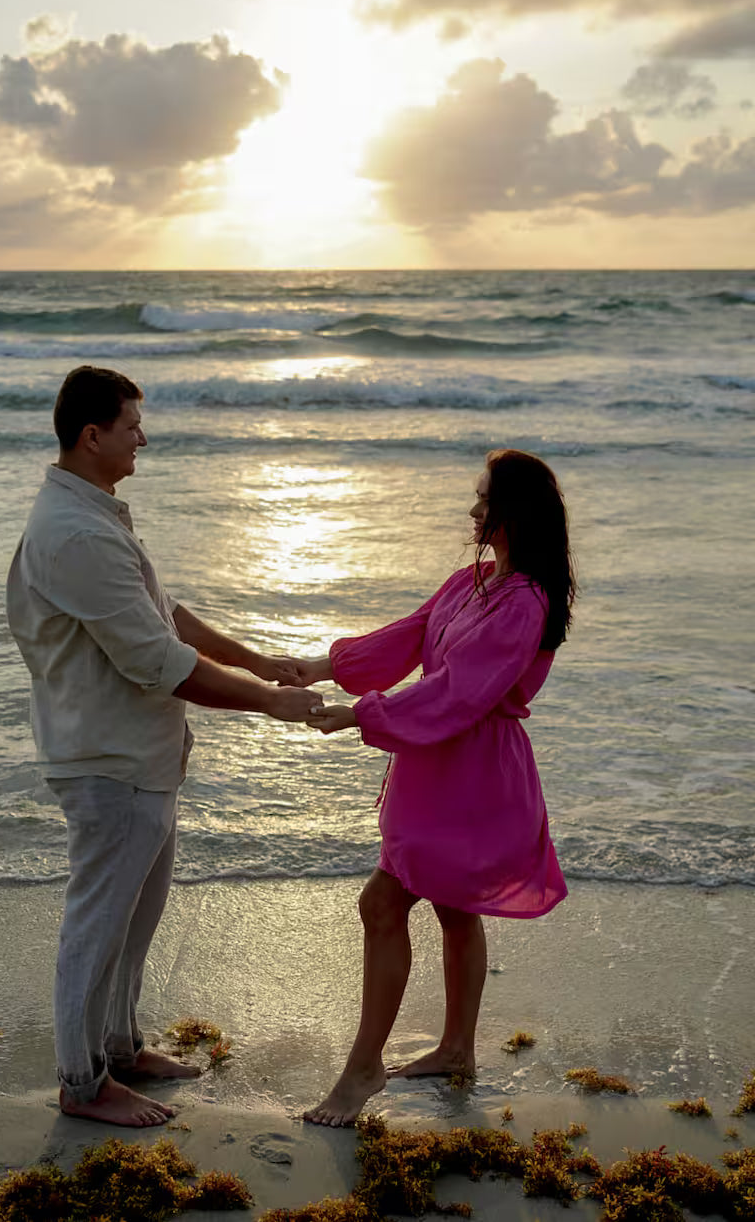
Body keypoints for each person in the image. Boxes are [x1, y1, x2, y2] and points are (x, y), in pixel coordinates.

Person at [6, 365, 322, 1128]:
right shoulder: (76, 533)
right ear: (92, 435)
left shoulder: (96, 512)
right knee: (97, 921)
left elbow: (164, 614)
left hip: (139, 758)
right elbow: (156, 660)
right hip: (106, 761)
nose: (142, 436)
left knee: (134, 920)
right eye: (131, 425)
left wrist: (253, 658)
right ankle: (81, 1083)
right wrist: (269, 702)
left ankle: (118, 1046)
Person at [295, 449, 575, 1127]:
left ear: (512, 512)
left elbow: (459, 692)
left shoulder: (526, 603)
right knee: (453, 907)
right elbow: (413, 634)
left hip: (473, 776)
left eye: (483, 500)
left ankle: (364, 1066)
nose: (473, 510)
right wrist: (320, 665)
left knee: (381, 904)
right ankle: (456, 1049)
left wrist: (362, 713)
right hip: (437, 766)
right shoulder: (472, 580)